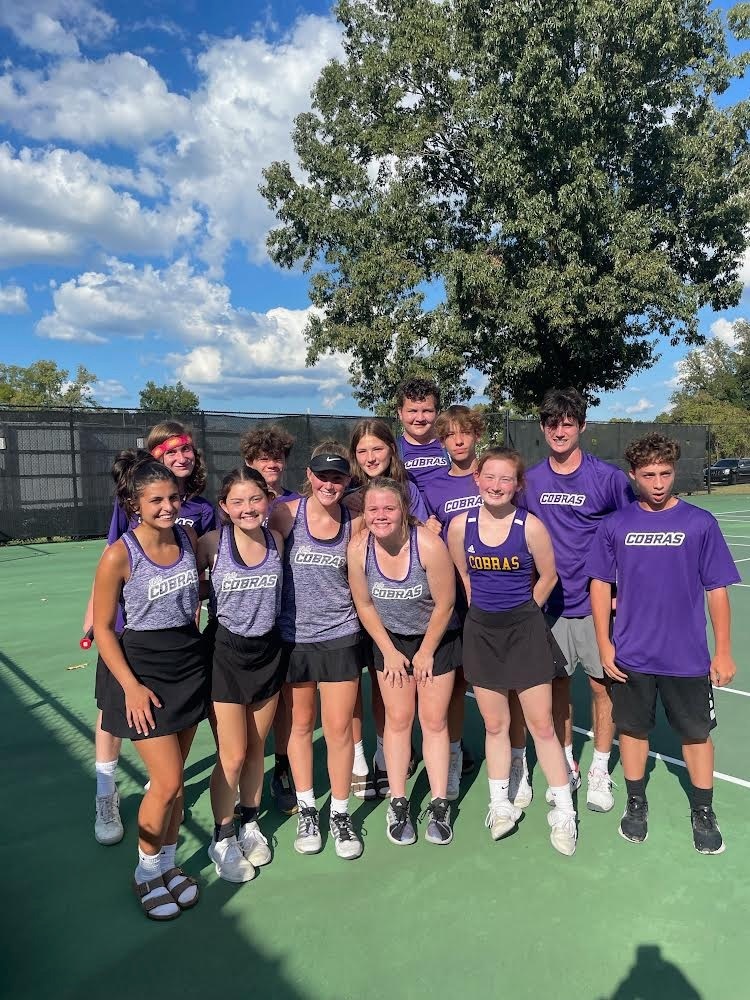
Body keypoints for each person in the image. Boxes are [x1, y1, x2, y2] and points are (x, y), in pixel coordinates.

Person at [586, 433, 739, 853]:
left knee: (696, 734)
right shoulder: (615, 525)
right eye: (649, 475)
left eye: (665, 474)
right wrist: (604, 644)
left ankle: (703, 809)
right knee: (633, 730)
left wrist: (723, 650)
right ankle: (636, 802)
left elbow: (717, 588)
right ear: (633, 475)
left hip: (686, 657)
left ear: (675, 472)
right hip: (631, 654)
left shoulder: (699, 523)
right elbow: (599, 585)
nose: (658, 483)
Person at [84, 421, 215, 847]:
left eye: (173, 498)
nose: (167, 506)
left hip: (187, 663)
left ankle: (168, 867)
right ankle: (146, 870)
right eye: (156, 500)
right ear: (134, 505)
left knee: (174, 786)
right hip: (142, 667)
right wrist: (131, 686)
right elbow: (105, 626)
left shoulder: (188, 535)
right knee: (167, 781)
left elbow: (196, 587)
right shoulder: (119, 554)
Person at [448, 448, 577, 856]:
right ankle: (500, 804)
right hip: (482, 633)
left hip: (525, 632)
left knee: (542, 726)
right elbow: (464, 576)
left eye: (506, 478)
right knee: (495, 725)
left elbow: (549, 576)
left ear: (518, 485)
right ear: (477, 479)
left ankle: (564, 811)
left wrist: (525, 613)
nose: (496, 485)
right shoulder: (460, 526)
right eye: (490, 476)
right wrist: (483, 614)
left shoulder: (531, 527)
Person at [513, 388, 634, 813]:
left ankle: (600, 766)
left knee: (603, 686)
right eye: (552, 423)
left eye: (567, 423)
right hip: (551, 607)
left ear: (581, 425)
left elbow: (629, 538)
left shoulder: (609, 479)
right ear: (542, 427)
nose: (559, 431)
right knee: (558, 685)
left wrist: (621, 594)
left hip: (597, 605)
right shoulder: (531, 482)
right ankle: (566, 761)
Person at [348, 477, 461, 845]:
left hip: (435, 638)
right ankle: (398, 802)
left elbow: (445, 604)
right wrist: (389, 650)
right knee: (397, 720)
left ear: (404, 510)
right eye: (373, 509)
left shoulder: (427, 545)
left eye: (389, 508)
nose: (381, 515)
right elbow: (364, 604)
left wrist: (426, 650)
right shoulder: (358, 549)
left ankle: (440, 804)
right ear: (364, 513)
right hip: (391, 640)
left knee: (434, 720)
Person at [269, 442, 366, 860]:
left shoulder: (355, 522)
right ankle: (308, 809)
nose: (329, 484)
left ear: (347, 481)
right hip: (294, 638)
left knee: (340, 729)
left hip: (341, 635)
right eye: (322, 476)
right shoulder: (286, 515)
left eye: (337, 477)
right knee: (300, 726)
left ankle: (340, 814)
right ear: (308, 476)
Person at [198, 467, 285, 882]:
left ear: (267, 500)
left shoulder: (277, 540)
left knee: (255, 749)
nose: (248, 508)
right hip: (225, 655)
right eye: (238, 501)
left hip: (268, 652)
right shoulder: (211, 544)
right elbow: (186, 586)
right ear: (224, 507)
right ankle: (222, 836)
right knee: (231, 754)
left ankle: (250, 822)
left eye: (255, 499)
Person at [345, 418, 428, 799]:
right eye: (362, 450)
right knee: (353, 687)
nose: (370, 456)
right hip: (353, 609)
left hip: (395, 610)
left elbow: (423, 533)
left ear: (391, 449)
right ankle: (359, 758)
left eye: (377, 448)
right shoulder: (345, 493)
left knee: (389, 686)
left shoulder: (408, 489)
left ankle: (387, 751)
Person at [421, 404, 484, 799]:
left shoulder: (492, 476)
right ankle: (455, 753)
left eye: (464, 432)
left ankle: (514, 758)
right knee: (455, 683)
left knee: (500, 684)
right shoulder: (433, 488)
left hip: (494, 595)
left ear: (477, 434)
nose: (458, 441)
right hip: (450, 599)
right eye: (449, 435)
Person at [240, 424, 301, 815]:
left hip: (289, 618)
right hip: (245, 624)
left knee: (285, 701)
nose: (271, 463)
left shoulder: (296, 504)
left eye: (277, 457)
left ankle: (282, 767)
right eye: (263, 457)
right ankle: (242, 772)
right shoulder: (236, 504)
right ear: (250, 461)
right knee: (244, 705)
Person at [395, 377, 449, 497]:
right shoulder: (391, 451)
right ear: (400, 413)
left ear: (437, 413)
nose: (420, 418)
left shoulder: (451, 447)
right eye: (412, 411)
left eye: (427, 411)